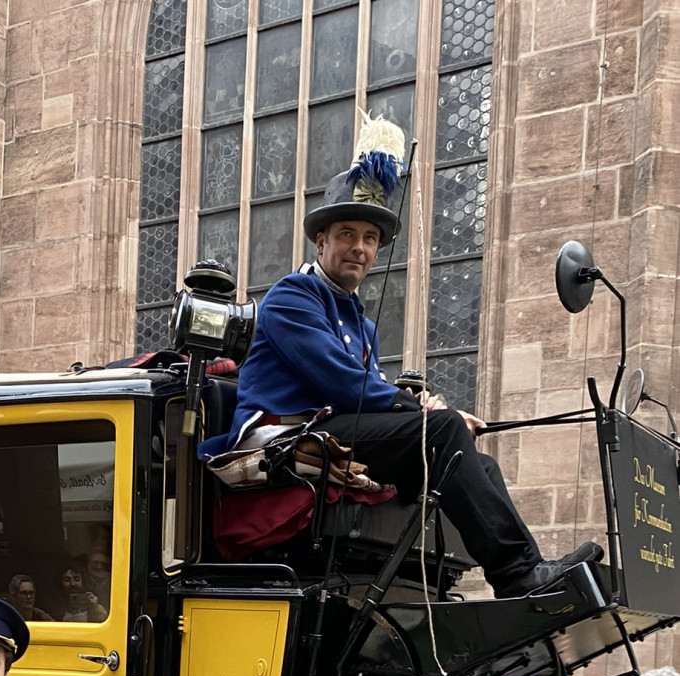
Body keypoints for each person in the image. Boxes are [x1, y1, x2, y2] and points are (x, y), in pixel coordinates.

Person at [214, 114, 603, 600]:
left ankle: (502, 579)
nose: (359, 247)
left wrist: (424, 412)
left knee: (477, 463)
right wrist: (422, 411)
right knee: (444, 432)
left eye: (370, 239)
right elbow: (341, 383)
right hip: (291, 437)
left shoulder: (363, 324)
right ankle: (520, 576)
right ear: (322, 240)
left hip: (337, 432)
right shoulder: (292, 296)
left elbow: (368, 395)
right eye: (347, 234)